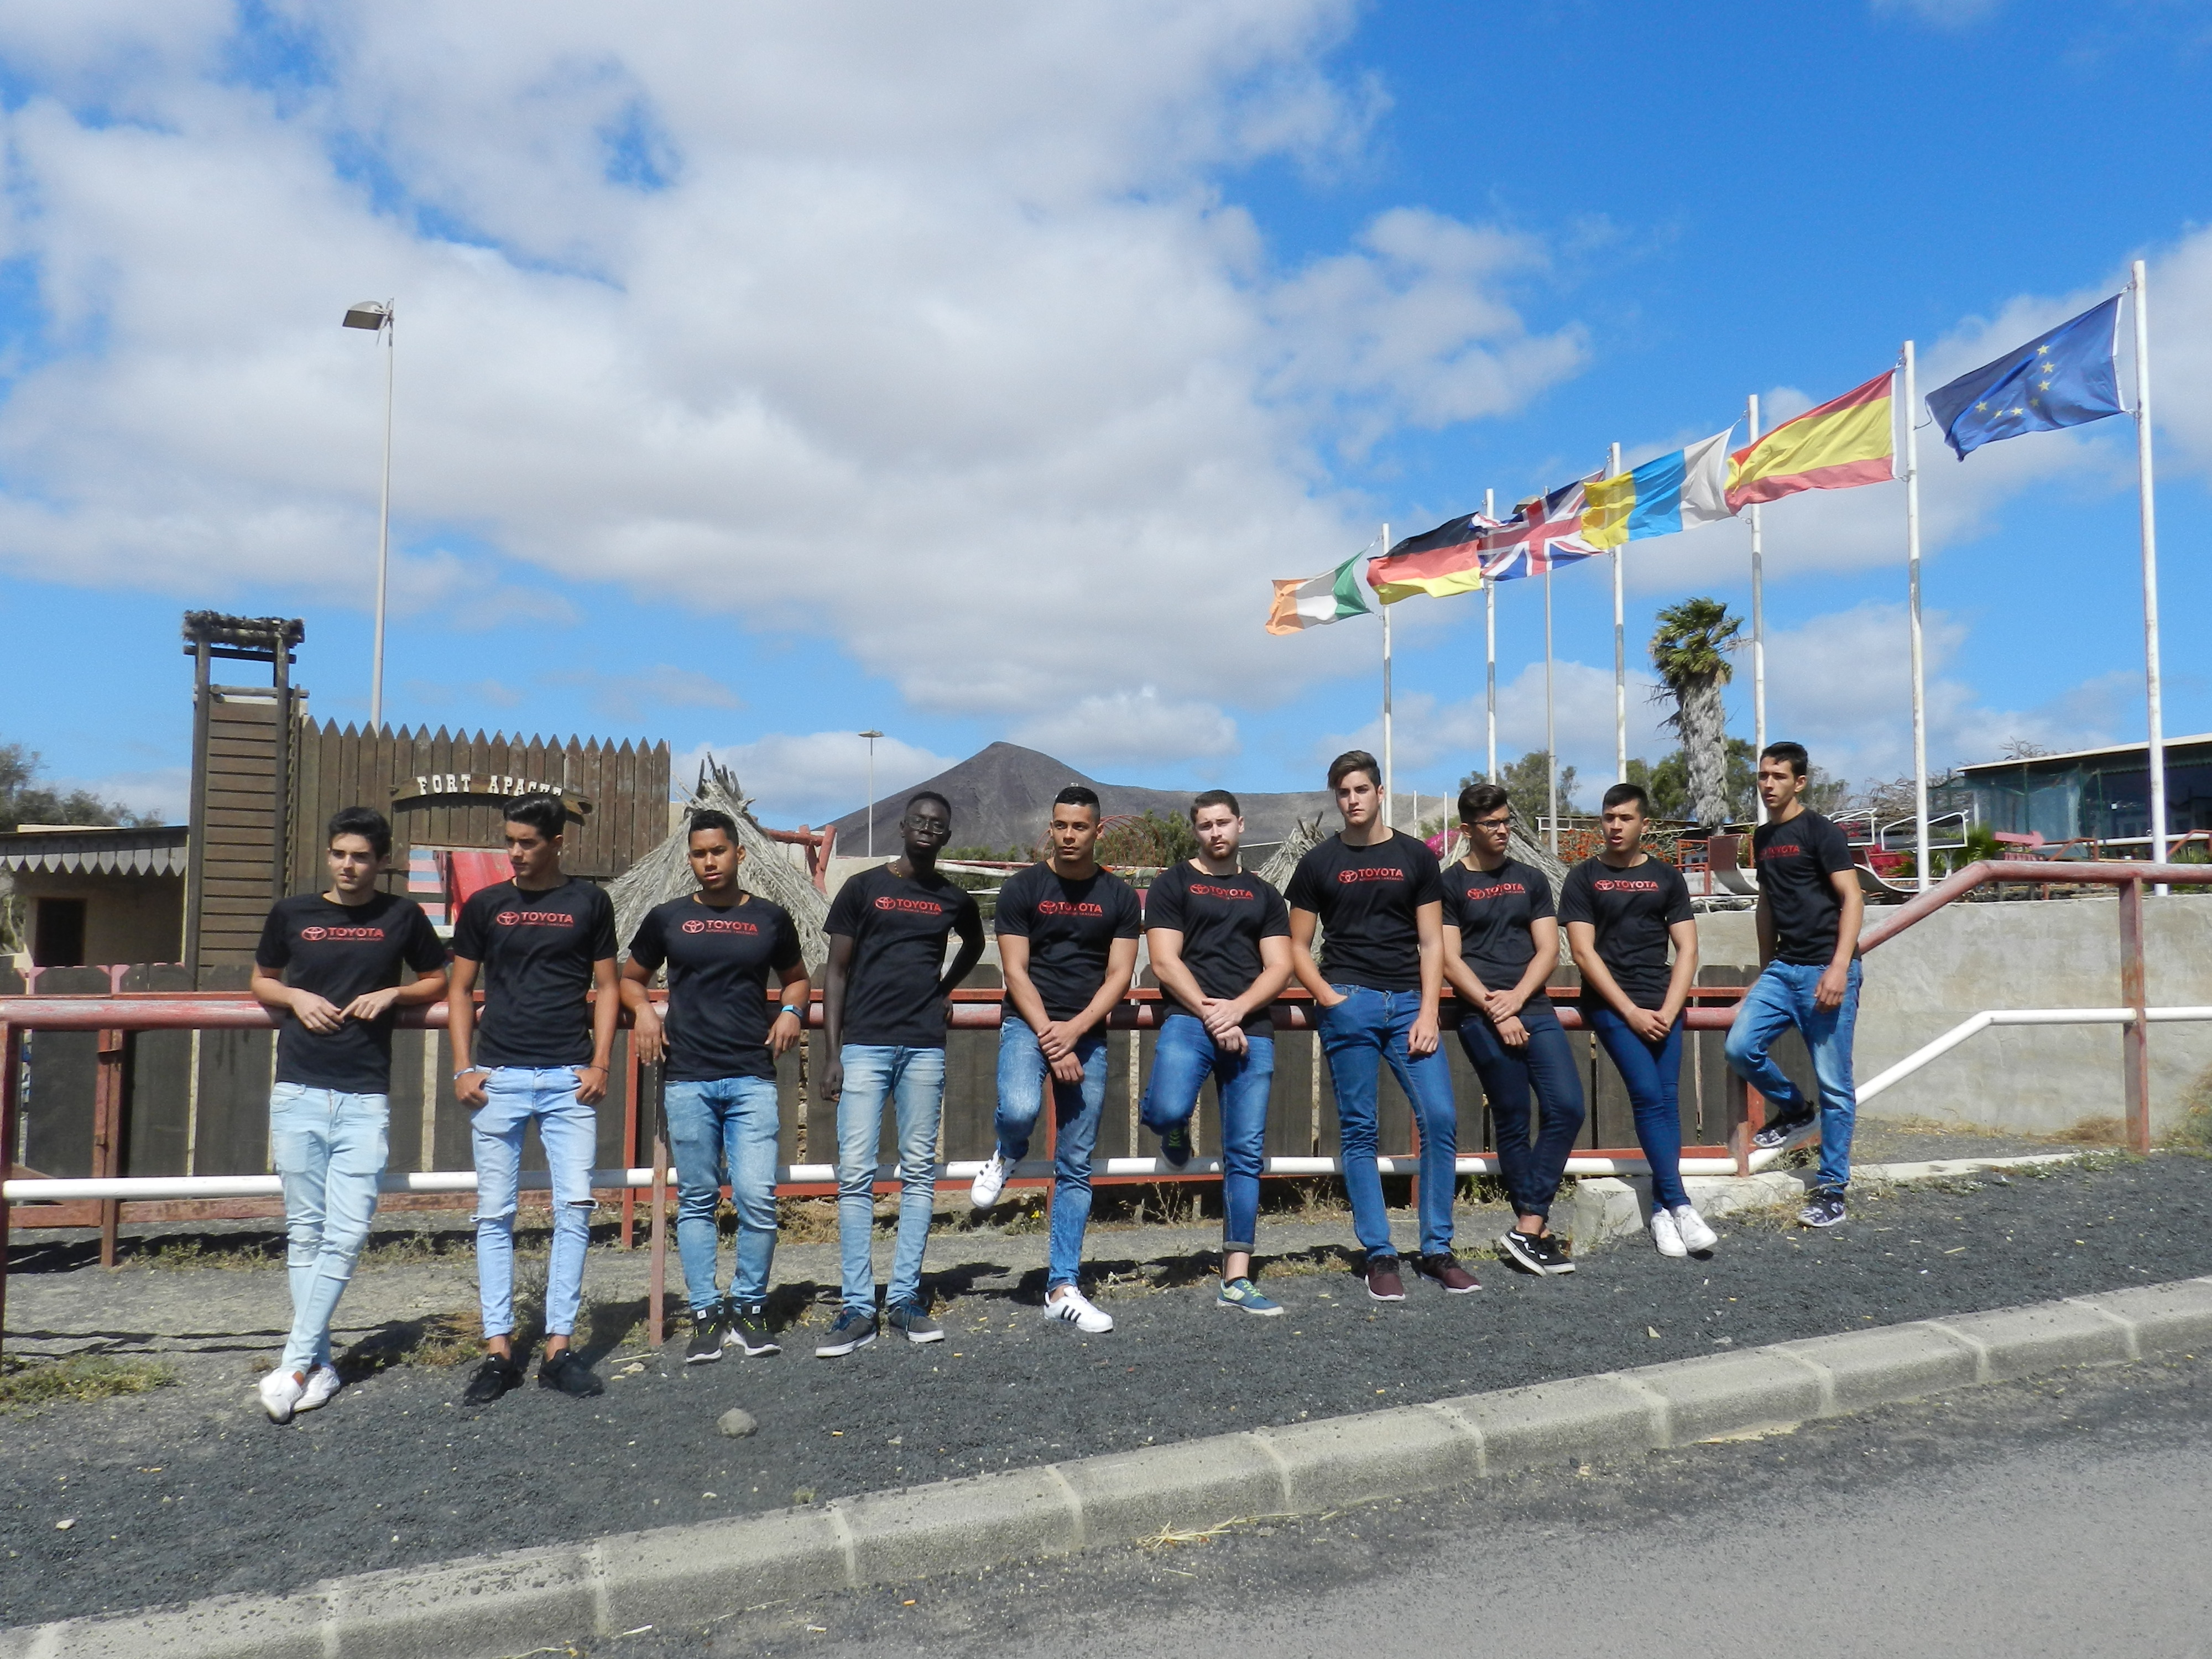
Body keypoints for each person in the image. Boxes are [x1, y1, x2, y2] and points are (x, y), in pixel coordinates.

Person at [248, 807, 448, 1422]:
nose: (348, 865)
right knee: (305, 1231)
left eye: (361, 856)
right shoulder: (292, 913)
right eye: (340, 853)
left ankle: (293, 1364)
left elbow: (437, 980)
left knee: (348, 1232)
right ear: (329, 854)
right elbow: (262, 979)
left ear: (381, 862)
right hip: (298, 1089)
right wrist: (294, 996)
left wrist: (395, 992)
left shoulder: (401, 915)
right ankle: (319, 1365)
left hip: (364, 1096)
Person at [447, 794, 620, 1403]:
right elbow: (460, 989)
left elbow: (607, 986)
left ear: (557, 844)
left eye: (527, 842)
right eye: (510, 841)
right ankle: (498, 1352)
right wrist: (463, 1068)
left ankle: (558, 1350)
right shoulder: (485, 904)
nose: (515, 853)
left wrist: (600, 1063)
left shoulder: (589, 902)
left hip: (569, 1077)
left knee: (574, 1209)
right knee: (495, 1214)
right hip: (499, 1076)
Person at [1286, 750, 1474, 1302]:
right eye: (1343, 792)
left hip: (1410, 1004)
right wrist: (1329, 999)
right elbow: (1296, 946)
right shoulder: (1318, 863)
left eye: (1361, 790)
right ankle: (1379, 1253)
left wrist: (1429, 1011)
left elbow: (1432, 942)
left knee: (1439, 1118)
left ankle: (1437, 1250)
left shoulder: (1415, 857)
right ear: (1336, 797)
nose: (1353, 800)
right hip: (1350, 1001)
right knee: (1359, 1129)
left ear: (1379, 792)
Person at [622, 810, 810, 1363]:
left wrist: (792, 1011)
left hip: (752, 1077)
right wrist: (645, 1012)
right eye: (700, 854)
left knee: (756, 1196)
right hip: (688, 1079)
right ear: (690, 859)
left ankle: (750, 1308)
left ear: (739, 854)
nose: (709, 862)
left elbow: (798, 979)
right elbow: (630, 979)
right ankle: (705, 1313)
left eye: (718, 852)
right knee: (698, 1200)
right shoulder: (667, 918)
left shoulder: (771, 918)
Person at [818, 791, 986, 1357]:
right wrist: (834, 1053)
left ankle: (906, 1299)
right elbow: (836, 973)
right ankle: (857, 1307)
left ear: (946, 836)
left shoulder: (952, 898)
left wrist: (945, 990)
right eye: (919, 820)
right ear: (902, 826)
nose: (927, 829)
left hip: (923, 1047)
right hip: (864, 1045)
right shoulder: (863, 888)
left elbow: (975, 943)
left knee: (918, 1173)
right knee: (855, 1175)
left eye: (937, 825)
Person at [969, 785, 1142, 1334]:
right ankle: (1007, 1151)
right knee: (1020, 1109)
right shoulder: (1023, 888)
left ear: (1098, 830)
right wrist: (1051, 1036)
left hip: (1085, 1031)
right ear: (1051, 828)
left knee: (1075, 1162)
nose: (1069, 835)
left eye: (1080, 827)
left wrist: (1075, 1031)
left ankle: (1062, 1287)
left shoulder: (1118, 895)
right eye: (1061, 826)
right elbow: (1014, 972)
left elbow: (1120, 975)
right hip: (1030, 1024)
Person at [1138, 790, 1295, 1314]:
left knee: (1245, 1153)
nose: (1215, 833)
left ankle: (1236, 1276)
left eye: (1223, 823)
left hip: (1252, 1029)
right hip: (1190, 1018)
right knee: (1165, 1110)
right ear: (1196, 831)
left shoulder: (1264, 895)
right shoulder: (1173, 883)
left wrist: (1238, 1010)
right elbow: (1165, 962)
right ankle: (1174, 1128)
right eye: (1205, 825)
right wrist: (1212, 1014)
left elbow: (1280, 967)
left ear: (1240, 825)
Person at [1559, 782, 1716, 1259]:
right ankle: (1681, 1203)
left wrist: (1669, 1008)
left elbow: (1688, 949)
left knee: (1668, 1099)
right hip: (1611, 1006)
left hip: (1664, 1004)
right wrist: (1629, 1011)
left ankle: (1663, 1211)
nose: (1615, 826)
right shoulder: (1583, 877)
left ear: (1644, 825)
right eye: (1609, 817)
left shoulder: (1666, 878)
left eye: (1625, 818)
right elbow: (1583, 952)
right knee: (1648, 1096)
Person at [1440, 782, 1583, 1277]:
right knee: (1514, 1116)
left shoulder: (1530, 878)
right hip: (1480, 1014)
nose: (1502, 830)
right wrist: (1497, 1010)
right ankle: (1533, 1234)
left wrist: (1518, 1001)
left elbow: (1548, 949)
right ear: (1467, 830)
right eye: (1491, 824)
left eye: (1506, 821)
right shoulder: (1450, 884)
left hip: (1534, 1007)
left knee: (1568, 1107)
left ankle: (1528, 1224)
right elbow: (1449, 960)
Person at [1725, 741, 1866, 1229]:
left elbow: (1853, 898)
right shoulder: (1763, 837)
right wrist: (1766, 970)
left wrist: (1838, 967)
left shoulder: (1821, 832)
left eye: (1779, 776)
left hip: (1827, 969)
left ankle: (1832, 1189)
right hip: (1784, 969)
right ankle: (1794, 1109)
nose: (1768, 785)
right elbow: (1766, 903)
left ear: (1800, 782)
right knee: (1740, 1048)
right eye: (1763, 776)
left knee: (1835, 1085)